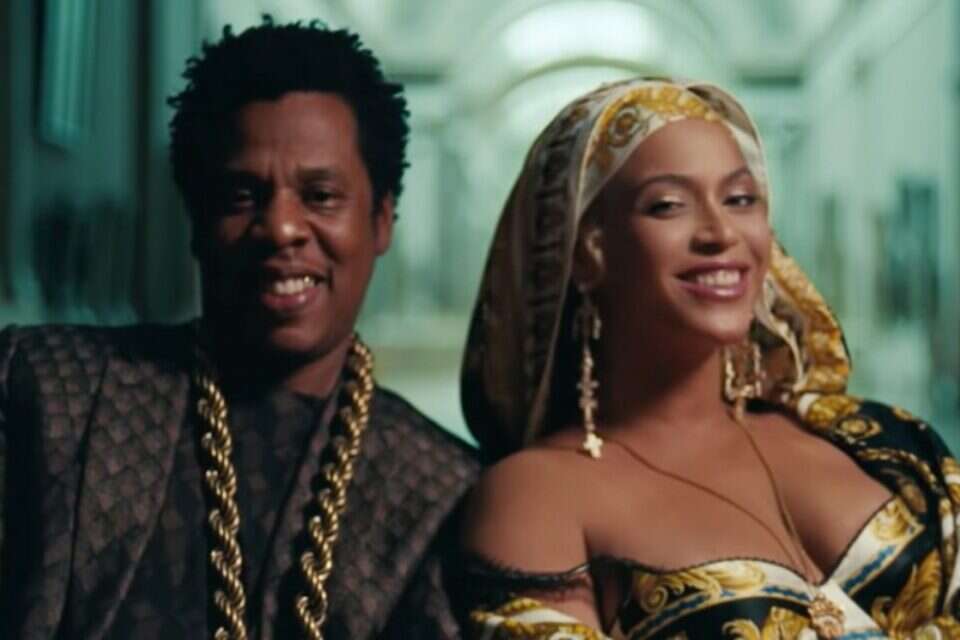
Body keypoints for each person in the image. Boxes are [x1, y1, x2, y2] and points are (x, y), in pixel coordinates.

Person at [0, 19, 477, 639]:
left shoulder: (441, 491)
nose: (281, 228)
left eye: (321, 195)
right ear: (197, 220)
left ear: (381, 219)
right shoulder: (50, 394)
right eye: (242, 195)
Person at [457, 77, 960, 638]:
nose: (721, 232)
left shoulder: (878, 441)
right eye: (668, 205)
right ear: (587, 250)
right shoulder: (536, 497)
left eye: (740, 199)